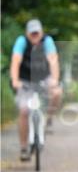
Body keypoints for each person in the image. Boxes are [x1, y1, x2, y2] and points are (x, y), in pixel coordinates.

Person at [9, 19, 63, 161]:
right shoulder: (21, 42)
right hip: (25, 81)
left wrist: (55, 80)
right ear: (27, 33)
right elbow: (15, 61)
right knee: (24, 111)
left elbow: (53, 60)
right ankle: (23, 147)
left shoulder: (47, 42)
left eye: (37, 33)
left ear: (41, 33)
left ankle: (49, 118)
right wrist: (15, 80)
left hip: (43, 78)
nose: (34, 36)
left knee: (57, 93)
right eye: (32, 34)